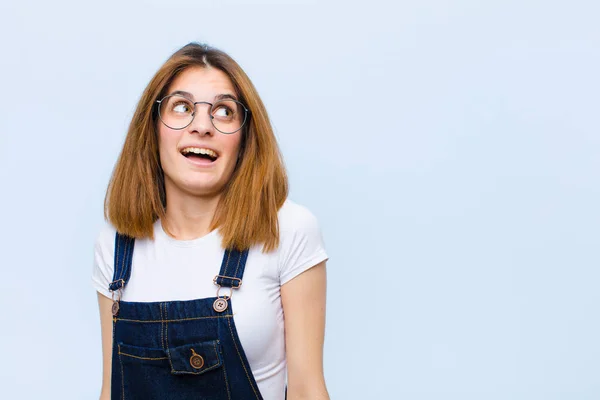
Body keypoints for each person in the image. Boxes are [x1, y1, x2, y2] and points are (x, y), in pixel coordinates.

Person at [91, 42, 329, 400]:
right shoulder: (114, 243)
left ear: (245, 138)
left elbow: (308, 390)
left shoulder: (287, 229)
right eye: (182, 107)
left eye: (223, 112)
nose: (202, 126)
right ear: (152, 127)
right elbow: (112, 391)